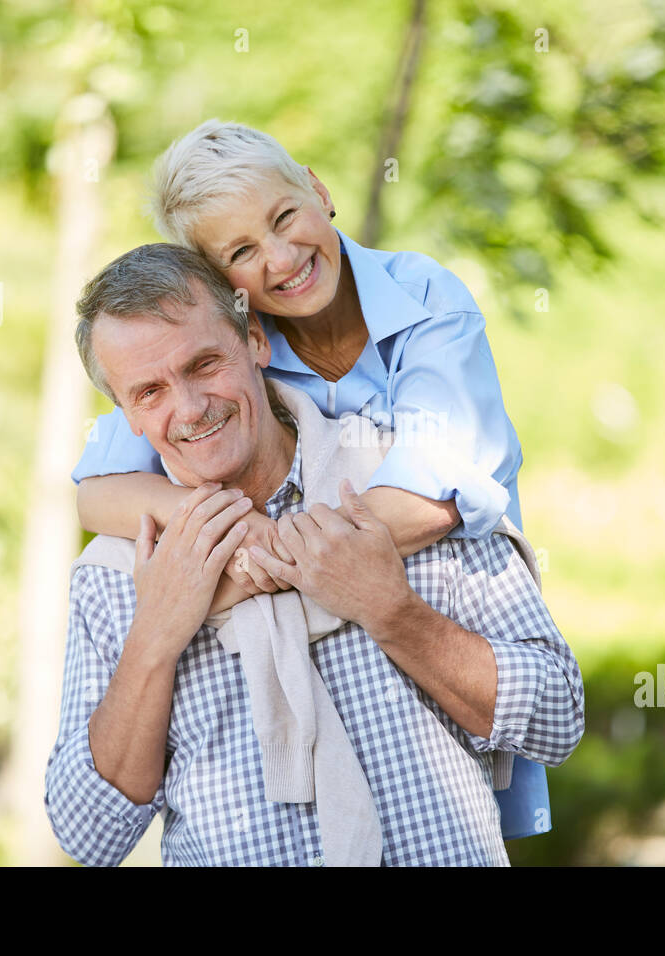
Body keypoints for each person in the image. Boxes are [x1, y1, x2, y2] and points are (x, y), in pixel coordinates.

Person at [71, 119, 550, 840]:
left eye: (284, 217)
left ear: (318, 191)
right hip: (311, 591)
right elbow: (98, 487)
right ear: (219, 283)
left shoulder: (424, 301)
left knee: (463, 796)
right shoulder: (216, 343)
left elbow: (433, 497)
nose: (281, 256)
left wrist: (243, 569)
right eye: (239, 252)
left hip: (447, 606)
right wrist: (201, 552)